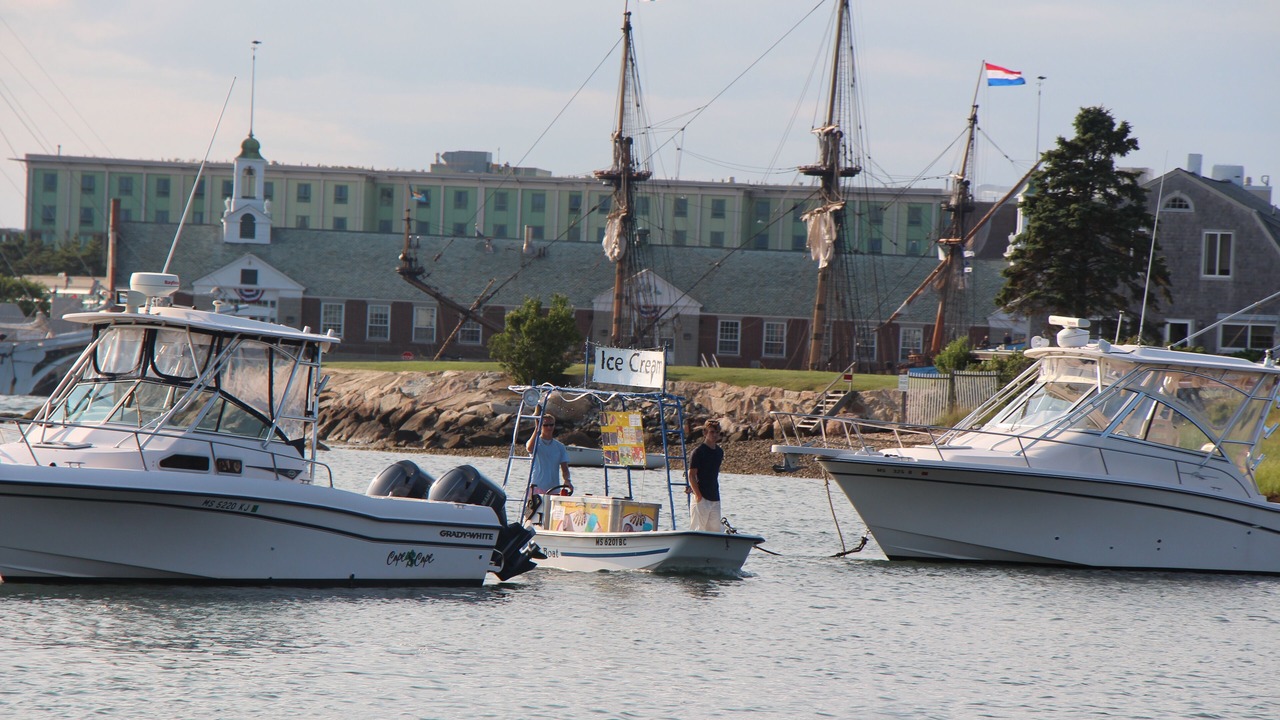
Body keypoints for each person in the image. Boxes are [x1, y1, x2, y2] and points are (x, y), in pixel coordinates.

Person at [686, 419, 724, 533]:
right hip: (701, 498)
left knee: (715, 531)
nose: (715, 435)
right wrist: (698, 495)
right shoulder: (698, 452)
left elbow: (712, 473)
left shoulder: (719, 452)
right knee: (698, 529)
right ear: (705, 433)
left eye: (717, 432)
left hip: (715, 496)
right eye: (712, 432)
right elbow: (692, 475)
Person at [525, 413, 571, 496]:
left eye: (551, 425)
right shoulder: (535, 443)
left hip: (554, 489)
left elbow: (565, 469)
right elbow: (529, 448)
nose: (549, 427)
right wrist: (536, 429)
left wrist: (567, 480)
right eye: (545, 425)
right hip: (536, 487)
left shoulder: (560, 446)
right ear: (541, 426)